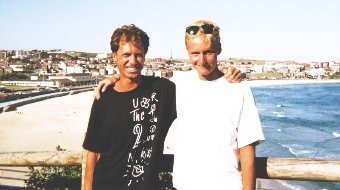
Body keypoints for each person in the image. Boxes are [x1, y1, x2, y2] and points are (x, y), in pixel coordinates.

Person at [95, 20, 263, 190]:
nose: (202, 60)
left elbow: (247, 150)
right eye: (195, 53)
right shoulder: (177, 86)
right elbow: (139, 85)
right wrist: (114, 78)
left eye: (208, 52)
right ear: (188, 53)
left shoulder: (239, 90)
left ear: (219, 50)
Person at [83, 24, 176, 190]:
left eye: (138, 55)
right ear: (114, 56)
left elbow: (200, 85)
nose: (133, 61)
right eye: (126, 54)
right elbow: (93, 150)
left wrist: (230, 75)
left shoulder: (163, 90)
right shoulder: (103, 97)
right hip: (105, 185)